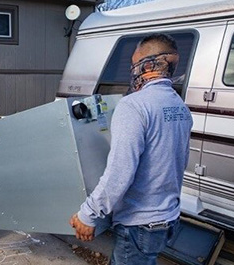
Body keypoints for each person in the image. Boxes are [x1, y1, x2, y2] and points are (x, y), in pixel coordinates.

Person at [69, 33, 193, 265]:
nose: (132, 71)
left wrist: (88, 214)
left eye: (134, 64)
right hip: (167, 219)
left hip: (140, 224)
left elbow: (120, 172)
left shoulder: (134, 105)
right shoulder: (179, 106)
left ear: (148, 64)